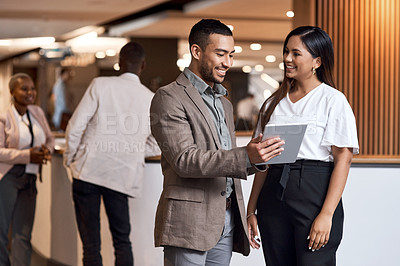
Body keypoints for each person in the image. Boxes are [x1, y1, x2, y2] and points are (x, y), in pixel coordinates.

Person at [150, 19, 284, 266]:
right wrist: (245, 156)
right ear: (196, 51)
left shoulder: (223, 102)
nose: (228, 63)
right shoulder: (169, 97)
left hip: (227, 219)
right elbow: (184, 160)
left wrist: (259, 157)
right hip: (188, 222)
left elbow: (225, 162)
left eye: (231, 55)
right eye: (220, 54)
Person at [246, 26, 359, 266]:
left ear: (317, 61)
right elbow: (263, 161)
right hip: (273, 195)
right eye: (286, 51)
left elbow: (343, 160)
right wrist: (251, 209)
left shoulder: (333, 100)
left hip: (314, 194)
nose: (287, 58)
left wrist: (326, 215)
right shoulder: (272, 104)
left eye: (296, 53)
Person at [63, 42, 160, 266]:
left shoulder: (100, 84)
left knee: (90, 245)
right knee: (122, 241)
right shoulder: (150, 98)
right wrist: (132, 150)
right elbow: (156, 144)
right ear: (143, 65)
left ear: (119, 63)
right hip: (122, 176)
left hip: (87, 173)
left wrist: (70, 159)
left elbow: (75, 126)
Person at [0, 73, 54, 266]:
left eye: (32, 88)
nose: (30, 93)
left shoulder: (37, 112)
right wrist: (27, 156)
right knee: (2, 232)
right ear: (12, 92)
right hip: (8, 177)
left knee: (23, 234)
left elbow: (50, 138)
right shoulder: (3, 117)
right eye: (24, 89)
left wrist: (48, 149)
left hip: (30, 178)